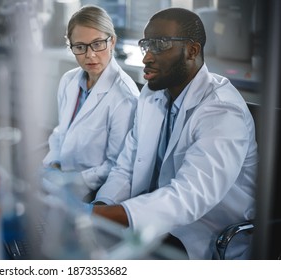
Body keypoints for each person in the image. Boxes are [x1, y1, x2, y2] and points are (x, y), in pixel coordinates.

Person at [91, 7, 258, 260]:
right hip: (153, 227)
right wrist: (99, 209)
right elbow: (127, 166)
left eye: (159, 45)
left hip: (203, 238)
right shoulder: (153, 94)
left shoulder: (222, 110)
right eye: (146, 44)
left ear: (192, 50)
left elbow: (188, 197)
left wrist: (99, 217)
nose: (146, 57)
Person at [41, 5, 140, 201]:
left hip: (90, 188)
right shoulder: (68, 81)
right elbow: (62, 132)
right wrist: (53, 164)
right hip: (59, 174)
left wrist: (72, 181)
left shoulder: (125, 98)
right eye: (80, 47)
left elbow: (115, 165)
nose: (90, 55)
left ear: (112, 41)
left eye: (97, 44)